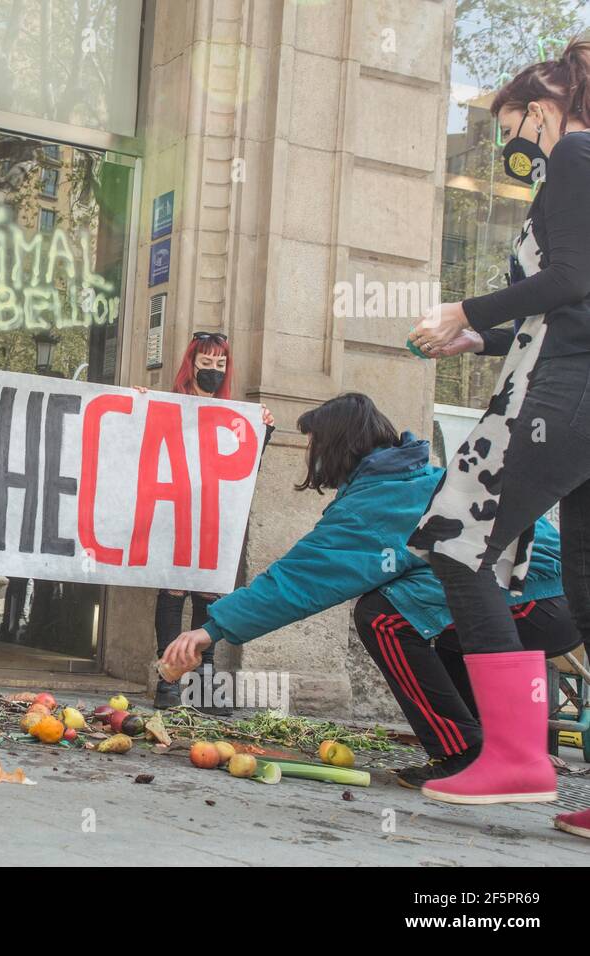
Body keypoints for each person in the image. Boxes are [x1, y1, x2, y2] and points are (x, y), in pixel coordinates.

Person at [160, 394, 580, 788]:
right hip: (556, 600)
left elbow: (298, 580)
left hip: (532, 601)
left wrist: (210, 630)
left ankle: (463, 752)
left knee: (383, 616)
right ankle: (491, 747)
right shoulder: (416, 476)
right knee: (426, 617)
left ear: (336, 446)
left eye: (314, 444)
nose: (311, 456)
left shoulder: (379, 501)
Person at [406, 38, 590, 829]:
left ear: (541, 111)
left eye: (512, 130)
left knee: (460, 544)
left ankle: (516, 758)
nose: (513, 149)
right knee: (585, 591)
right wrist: (479, 340)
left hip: (559, 397)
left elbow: (573, 280)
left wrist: (466, 311)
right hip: (575, 389)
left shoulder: (575, 154)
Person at [153, 332, 274, 708]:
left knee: (209, 592)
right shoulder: (169, 405)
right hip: (176, 511)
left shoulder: (233, 414)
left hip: (215, 514)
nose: (214, 372)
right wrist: (139, 404)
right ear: (191, 365)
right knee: (174, 593)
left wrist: (262, 430)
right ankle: (167, 680)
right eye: (206, 364)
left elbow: (246, 466)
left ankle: (204, 680)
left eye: (220, 366)